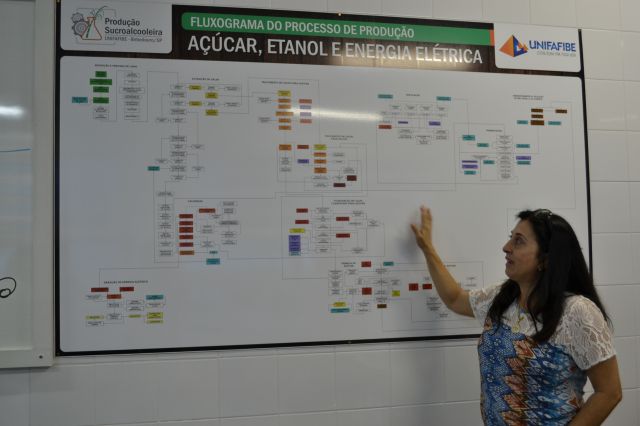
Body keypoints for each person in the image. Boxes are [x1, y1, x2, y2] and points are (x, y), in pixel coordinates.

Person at [410, 206, 622, 425]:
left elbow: (609, 392)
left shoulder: (577, 312)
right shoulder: (503, 298)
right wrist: (427, 248)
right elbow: (455, 299)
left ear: (546, 259)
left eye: (518, 241)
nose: (506, 247)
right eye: (511, 238)